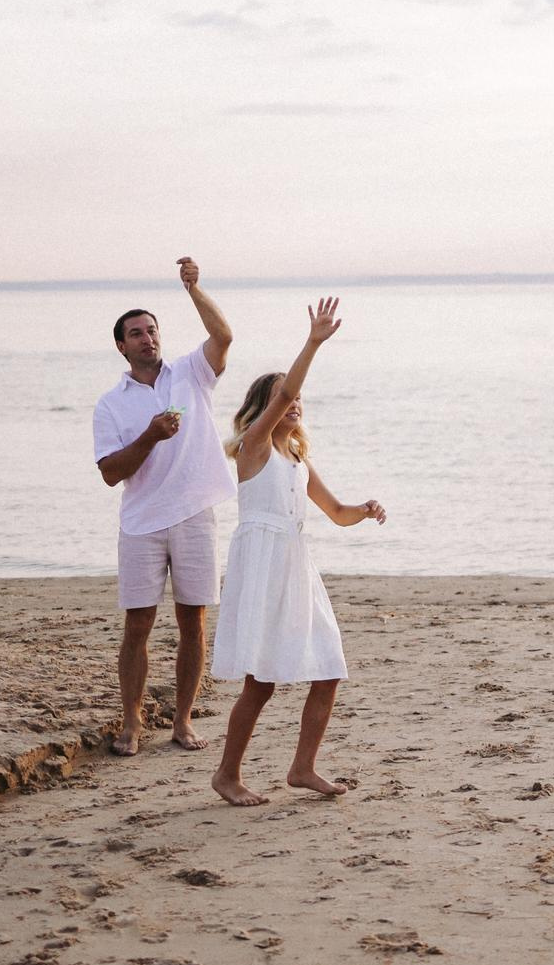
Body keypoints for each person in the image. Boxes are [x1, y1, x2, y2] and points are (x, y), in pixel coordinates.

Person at [209, 297, 386, 806]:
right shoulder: (255, 447)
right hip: (262, 566)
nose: (293, 402)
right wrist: (312, 343)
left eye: (297, 399)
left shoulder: (297, 457)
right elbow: (286, 388)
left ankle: (302, 767)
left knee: (328, 668)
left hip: (296, 565)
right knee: (260, 682)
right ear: (264, 409)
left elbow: (336, 512)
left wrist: (365, 508)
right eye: (283, 397)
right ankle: (227, 774)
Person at [92, 257, 236, 756]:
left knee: (193, 622)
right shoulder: (111, 403)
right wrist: (152, 435)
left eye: (151, 330)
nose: (146, 338)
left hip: (195, 513)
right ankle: (131, 722)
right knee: (138, 625)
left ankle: (182, 720)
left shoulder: (192, 373)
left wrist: (194, 289)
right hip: (141, 525)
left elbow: (224, 337)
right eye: (135, 333)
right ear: (121, 345)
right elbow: (111, 472)